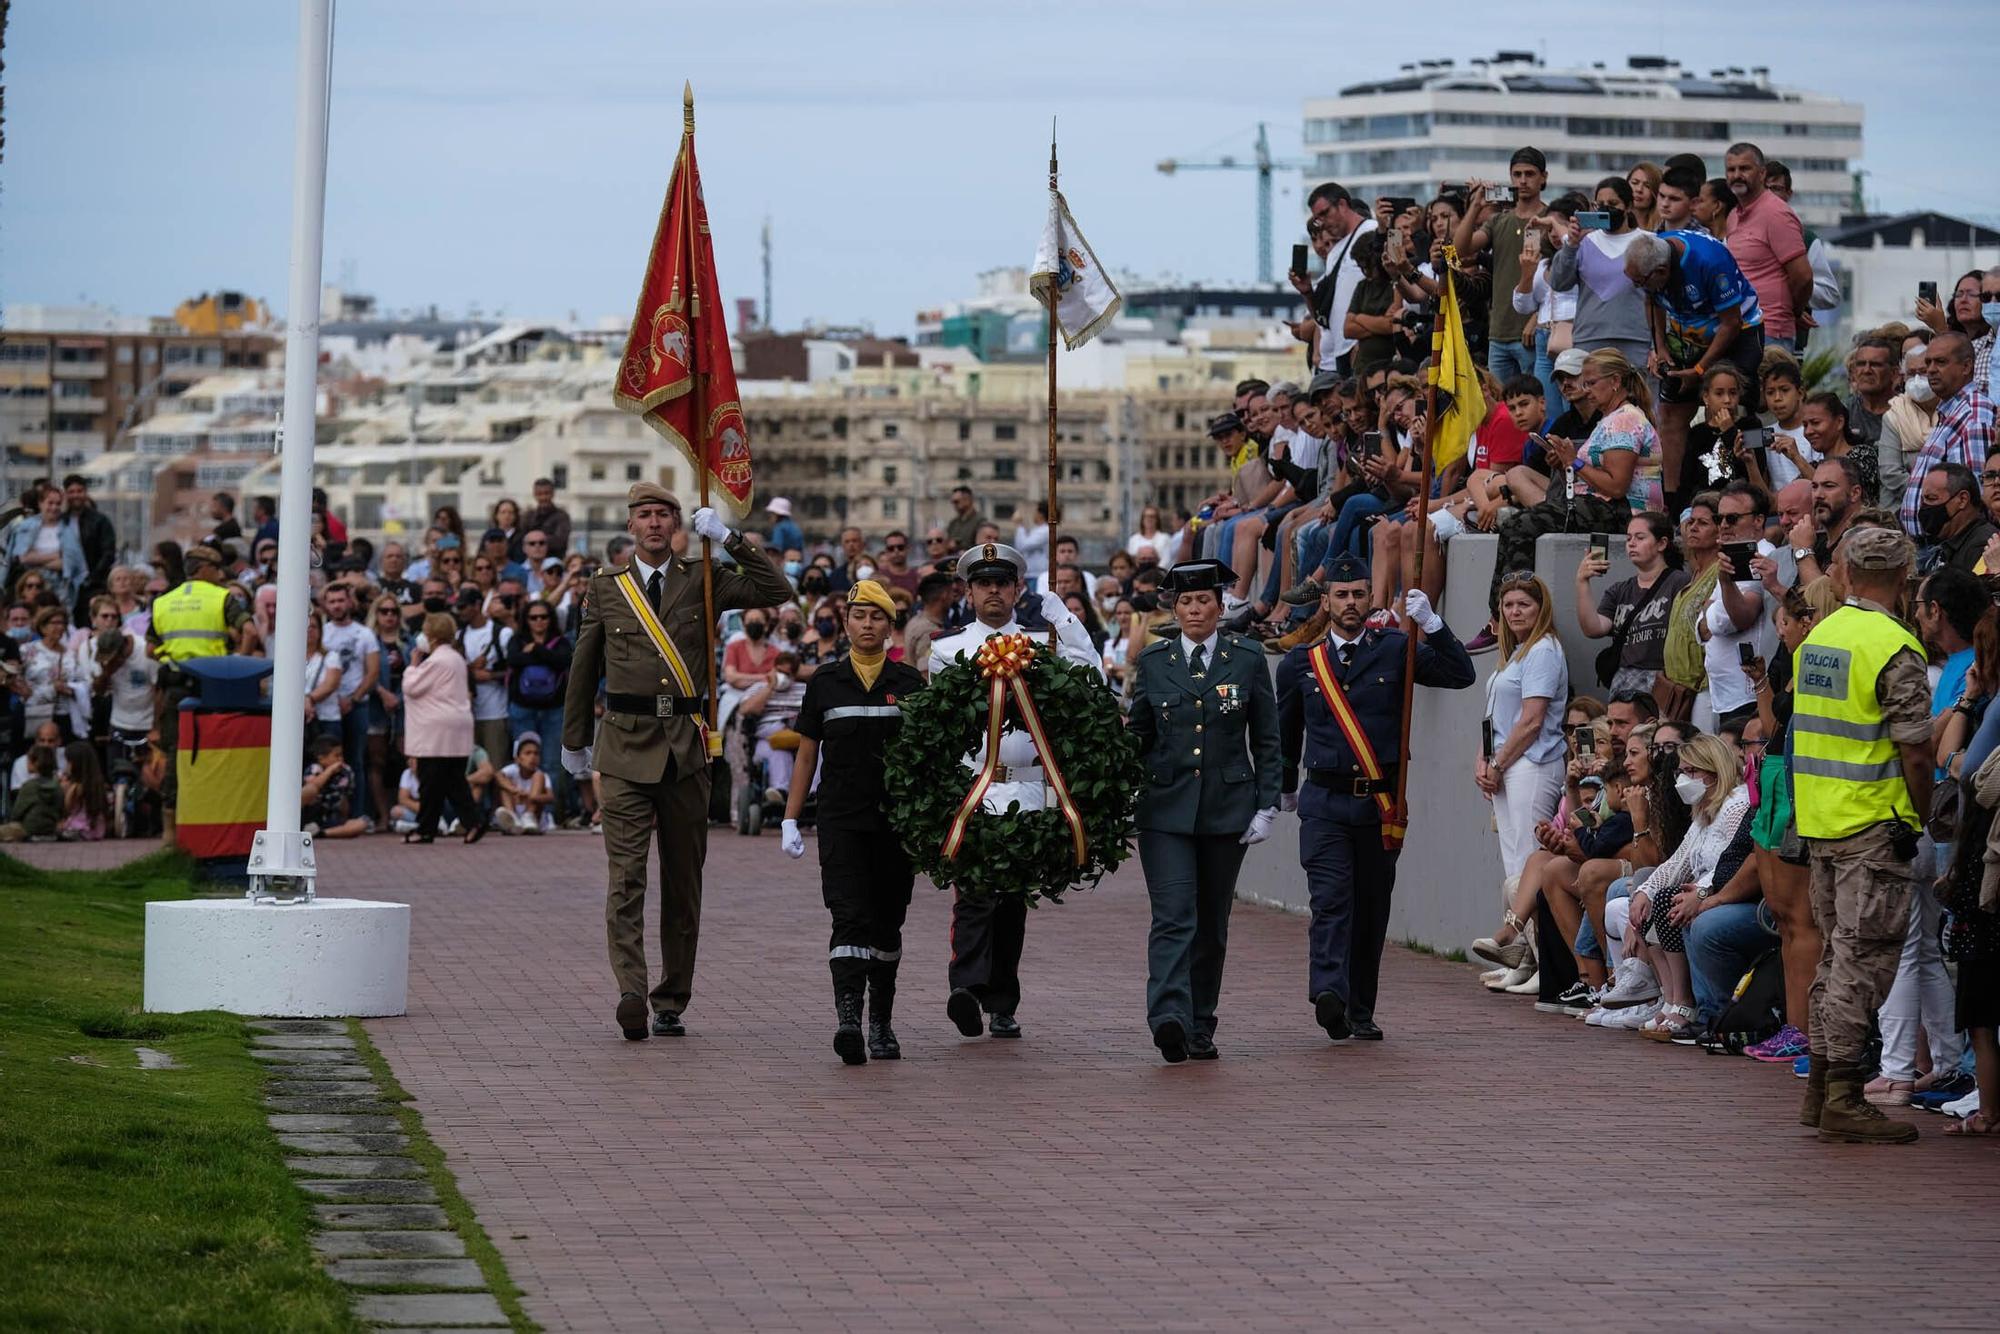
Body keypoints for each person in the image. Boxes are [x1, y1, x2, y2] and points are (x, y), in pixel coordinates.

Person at [561, 483, 791, 1042]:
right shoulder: (605, 588)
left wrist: (730, 538)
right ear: (631, 526)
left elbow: (775, 588)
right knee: (626, 878)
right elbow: (584, 665)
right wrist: (574, 739)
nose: (656, 523)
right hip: (623, 746)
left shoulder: (703, 575)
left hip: (686, 748)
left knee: (684, 883)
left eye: (665, 514)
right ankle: (631, 991)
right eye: (645, 515)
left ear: (678, 525)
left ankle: (671, 998)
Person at [1277, 555, 1475, 1041]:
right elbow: (1286, 734)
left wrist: (1432, 623)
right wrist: (1280, 790)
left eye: (1359, 594)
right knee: (1330, 900)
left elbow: (1460, 674)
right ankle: (1329, 992)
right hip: (1323, 802)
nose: (1350, 603)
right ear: (1325, 603)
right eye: (1341, 595)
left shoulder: (1396, 650)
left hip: (1378, 805)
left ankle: (1360, 1008)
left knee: (1370, 909)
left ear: (1372, 598)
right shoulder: (1300, 663)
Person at [928, 542, 1103, 1040]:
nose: (993, 592)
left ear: (1017, 589)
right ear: (969, 590)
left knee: (1010, 903)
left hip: (1027, 789)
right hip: (974, 790)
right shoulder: (947, 649)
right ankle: (965, 988)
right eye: (984, 584)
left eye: (1002, 584)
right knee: (974, 895)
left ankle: (1002, 1001)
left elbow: (1091, 679)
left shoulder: (1040, 643)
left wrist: (1064, 619)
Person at [1792, 526, 1932, 1144]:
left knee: (1835, 956)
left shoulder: (1819, 638)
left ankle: (1822, 1086)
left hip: (1822, 821)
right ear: (1903, 580)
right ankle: (1844, 1093)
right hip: (1875, 824)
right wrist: (1920, 816)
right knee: (1863, 961)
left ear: (1846, 572)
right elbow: (1916, 753)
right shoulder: (1894, 647)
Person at [1128, 560, 1281, 1063]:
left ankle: (1200, 1023)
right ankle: (1168, 1016)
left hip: (1225, 807)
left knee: (1211, 922)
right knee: (1174, 916)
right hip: (1164, 809)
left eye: (1204, 601)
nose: (1195, 610)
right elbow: (1138, 736)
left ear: (1220, 607)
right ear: (1174, 609)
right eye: (1186, 602)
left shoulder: (1247, 657)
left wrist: (1268, 803)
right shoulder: (1154, 661)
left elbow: (1266, 736)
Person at [780, 580, 927, 1065]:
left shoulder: (910, 685)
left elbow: (930, 757)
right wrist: (790, 818)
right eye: (859, 616)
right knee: (848, 918)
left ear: (890, 627)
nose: (867, 625)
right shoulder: (825, 682)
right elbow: (806, 756)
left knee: (886, 926)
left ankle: (880, 1023)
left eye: (877, 617)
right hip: (841, 821)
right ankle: (848, 1020)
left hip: (896, 825)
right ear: (845, 623)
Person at [145, 544, 250, 838]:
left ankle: (170, 832)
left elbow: (150, 649)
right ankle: (212, 823)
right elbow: (251, 632)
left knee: (176, 755)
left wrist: (173, 657)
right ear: (202, 569)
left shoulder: (163, 602)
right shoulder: (222, 598)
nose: (220, 576)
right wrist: (237, 663)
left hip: (176, 690)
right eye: (216, 570)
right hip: (215, 688)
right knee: (216, 754)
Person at [1478, 573, 1570, 887]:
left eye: (1524, 604)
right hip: (1505, 764)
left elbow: (1532, 720)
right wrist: (1483, 758)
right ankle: (1520, 931)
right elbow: (1497, 714)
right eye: (1508, 605)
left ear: (1540, 608)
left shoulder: (1542, 649)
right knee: (1513, 861)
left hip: (1531, 763)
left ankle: (1531, 933)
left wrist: (1496, 763)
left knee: (1528, 858)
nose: (1515, 611)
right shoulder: (1517, 651)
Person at [1455, 147, 1551, 383]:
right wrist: (1475, 205)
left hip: (1533, 332)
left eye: (1529, 174)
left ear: (1543, 177)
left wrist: (1537, 318)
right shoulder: (1498, 220)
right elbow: (1458, 249)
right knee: (1501, 408)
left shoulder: (1551, 219)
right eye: (1517, 174)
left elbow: (1560, 277)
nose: (1523, 180)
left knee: (1534, 408)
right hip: (1498, 333)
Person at [1576, 511, 1689, 697]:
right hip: (1625, 678)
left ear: (1662, 543)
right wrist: (1582, 582)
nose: (1631, 543)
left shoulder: (1680, 582)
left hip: (1664, 677)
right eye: (1628, 538)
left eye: (1640, 537)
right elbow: (1593, 628)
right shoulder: (1619, 590)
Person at [401, 611, 488, 845]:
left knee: (430, 782)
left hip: (436, 731)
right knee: (453, 781)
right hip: (457, 727)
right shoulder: (456, 658)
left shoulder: (437, 661)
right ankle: (472, 822)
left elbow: (412, 686)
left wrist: (412, 665)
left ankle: (425, 828)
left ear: (432, 635)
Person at [1901, 332, 1995, 537]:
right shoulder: (1952, 410)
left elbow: (1974, 496)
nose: (1931, 370)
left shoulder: (1973, 415)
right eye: (1929, 362)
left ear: (1966, 367)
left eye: (1941, 362)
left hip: (1950, 546)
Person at [1721, 143, 1811, 349]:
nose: (1737, 175)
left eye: (1744, 168)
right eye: (1731, 170)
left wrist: (1794, 311)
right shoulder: (1734, 215)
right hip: (1737, 330)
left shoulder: (1776, 213)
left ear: (1762, 174)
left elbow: (1803, 277)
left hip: (1770, 332)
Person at [2, 484, 86, 609]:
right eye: (50, 503)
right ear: (41, 503)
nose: (54, 507)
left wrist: (36, 559)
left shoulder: (68, 531)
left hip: (59, 591)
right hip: (28, 587)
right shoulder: (25, 527)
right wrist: (56, 555)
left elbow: (69, 564)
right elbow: (23, 557)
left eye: (58, 504)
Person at [1918, 462, 1995, 574]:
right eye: (1923, 500)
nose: (1925, 507)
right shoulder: (1949, 543)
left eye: (1931, 498)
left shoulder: (1985, 549)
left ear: (1962, 500)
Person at [300, 732, 371, 840]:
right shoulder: (314, 768)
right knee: (310, 790)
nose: (340, 759)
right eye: (336, 756)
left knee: (362, 823)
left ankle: (321, 833)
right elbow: (312, 787)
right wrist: (330, 770)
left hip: (330, 818)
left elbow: (346, 799)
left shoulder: (345, 773)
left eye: (341, 755)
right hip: (310, 815)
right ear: (321, 758)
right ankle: (307, 830)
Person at [0, 742, 62, 843]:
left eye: (28, 760)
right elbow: (60, 809)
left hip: (28, 828)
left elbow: (17, 811)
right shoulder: (57, 786)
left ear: (35, 763)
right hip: (50, 829)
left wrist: (13, 821)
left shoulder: (29, 786)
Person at [496, 732, 555, 835]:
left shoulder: (542, 775)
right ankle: (512, 819)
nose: (532, 757)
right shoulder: (512, 770)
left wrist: (532, 797)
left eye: (536, 753)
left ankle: (528, 817)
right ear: (518, 758)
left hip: (534, 815)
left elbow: (550, 797)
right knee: (504, 786)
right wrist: (514, 790)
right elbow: (498, 776)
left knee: (538, 775)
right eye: (528, 753)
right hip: (515, 807)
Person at [520, 476, 572, 558]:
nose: (543, 497)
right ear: (534, 495)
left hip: (554, 563)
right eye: (539, 494)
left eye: (546, 493)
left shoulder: (562, 516)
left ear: (553, 494)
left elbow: (559, 542)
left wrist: (533, 540)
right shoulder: (528, 516)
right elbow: (521, 539)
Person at [944, 486, 985, 554]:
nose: (954, 505)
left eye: (956, 502)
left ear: (967, 500)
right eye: (953, 502)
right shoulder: (953, 523)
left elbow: (981, 545)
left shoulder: (980, 522)